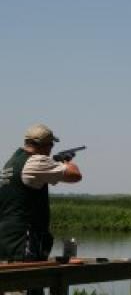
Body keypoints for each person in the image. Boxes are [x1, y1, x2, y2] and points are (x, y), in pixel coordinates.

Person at [0, 124, 82, 294]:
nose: (52, 149)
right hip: (25, 243)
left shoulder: (11, 163)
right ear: (45, 145)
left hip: (7, 242)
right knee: (29, 288)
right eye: (51, 145)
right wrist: (67, 161)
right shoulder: (36, 161)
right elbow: (75, 175)